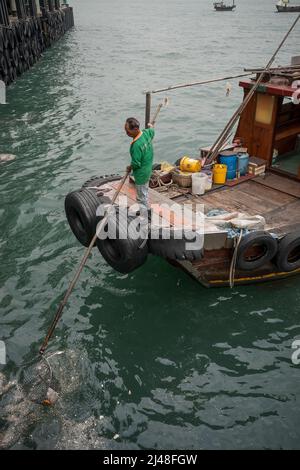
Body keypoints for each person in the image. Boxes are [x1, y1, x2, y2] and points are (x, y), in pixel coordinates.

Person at [125, 117, 155, 213]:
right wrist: (151, 126)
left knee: (141, 196)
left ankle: (145, 214)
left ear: (135, 129)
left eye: (128, 130)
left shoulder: (136, 145)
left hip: (141, 173)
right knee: (144, 191)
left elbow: (136, 163)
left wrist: (129, 167)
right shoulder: (145, 133)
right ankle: (146, 208)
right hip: (148, 168)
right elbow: (152, 132)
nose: (126, 132)